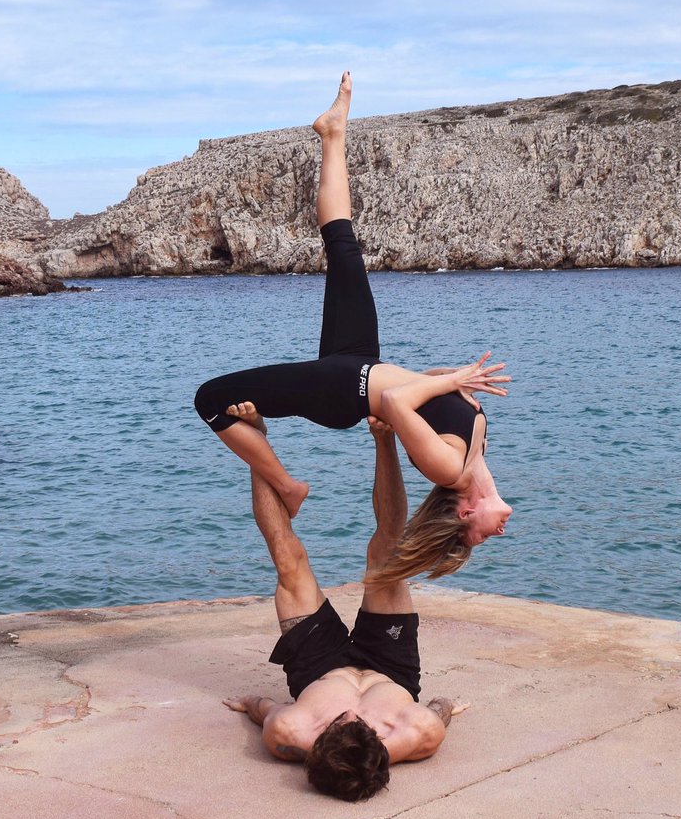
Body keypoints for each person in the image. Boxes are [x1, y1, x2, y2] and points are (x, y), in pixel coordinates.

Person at [195, 72, 512, 584]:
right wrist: (446, 374)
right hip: (362, 362)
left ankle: (287, 485)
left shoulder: (448, 471)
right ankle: (333, 133)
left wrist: (452, 383)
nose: (495, 534)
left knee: (209, 398)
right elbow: (415, 387)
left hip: (344, 391)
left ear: (464, 513)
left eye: (477, 538)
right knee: (343, 244)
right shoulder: (477, 446)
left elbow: (393, 403)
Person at [224, 408, 468, 800]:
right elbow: (439, 709)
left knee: (288, 561)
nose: (353, 714)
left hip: (317, 668)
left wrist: (247, 703)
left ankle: (254, 438)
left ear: (316, 747)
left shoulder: (288, 734)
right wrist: (446, 707)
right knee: (389, 553)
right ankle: (383, 435)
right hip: (390, 668)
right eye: (361, 724)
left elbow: (263, 707)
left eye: (339, 723)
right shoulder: (418, 733)